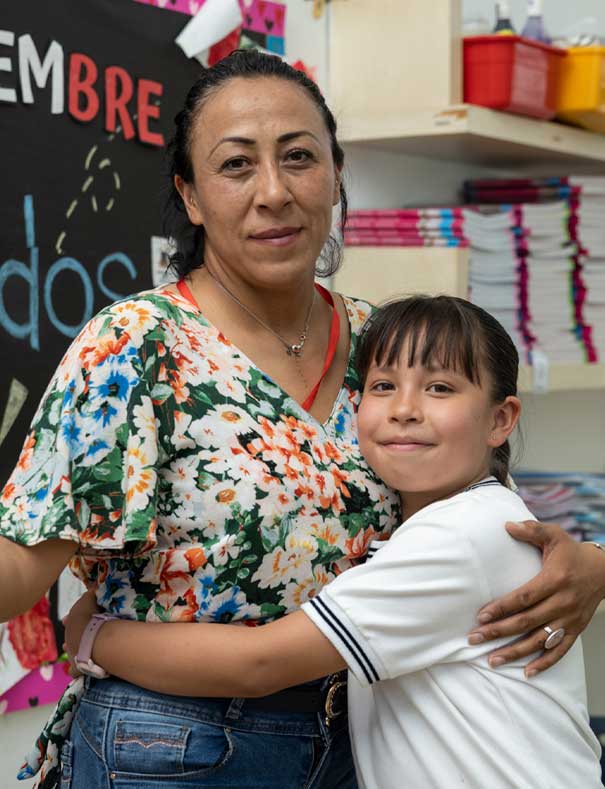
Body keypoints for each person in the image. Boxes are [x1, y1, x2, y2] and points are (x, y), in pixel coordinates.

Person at [0, 49, 603, 788]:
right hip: (173, 749)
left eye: (298, 157)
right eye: (235, 166)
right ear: (189, 196)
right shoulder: (136, 345)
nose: (274, 192)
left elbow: (466, 514)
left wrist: (587, 563)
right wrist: (88, 633)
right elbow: (23, 563)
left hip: (361, 742)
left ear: (336, 174)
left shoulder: (384, 347)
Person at [64, 295, 603, 788]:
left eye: (440, 388)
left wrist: (92, 634)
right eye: (383, 386)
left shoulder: (461, 536)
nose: (404, 409)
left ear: (500, 419)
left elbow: (261, 665)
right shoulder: (450, 520)